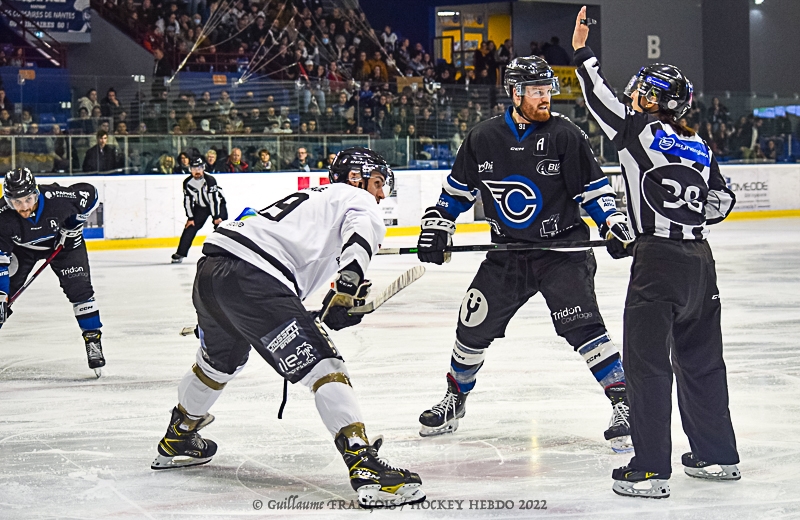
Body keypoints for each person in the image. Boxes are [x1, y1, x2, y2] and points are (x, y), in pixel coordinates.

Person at [151, 147, 425, 508]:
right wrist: (350, 283)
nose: (379, 193)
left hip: (212, 273)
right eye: (377, 183)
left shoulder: (313, 198)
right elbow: (360, 237)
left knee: (219, 362)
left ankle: (179, 436)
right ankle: (366, 467)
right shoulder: (359, 199)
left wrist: (328, 298)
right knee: (325, 367)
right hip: (255, 278)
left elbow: (273, 249)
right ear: (359, 179)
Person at [415, 56, 634, 454]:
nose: (545, 97)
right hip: (507, 255)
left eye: (548, 89)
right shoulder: (483, 138)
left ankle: (624, 404)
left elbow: (594, 192)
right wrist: (436, 227)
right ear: (515, 94)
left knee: (584, 329)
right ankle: (455, 399)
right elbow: (455, 196)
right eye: (536, 91)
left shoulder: (565, 134)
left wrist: (612, 225)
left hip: (561, 252)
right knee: (471, 327)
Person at [572, 6, 740, 499]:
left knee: (647, 366)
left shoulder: (636, 130)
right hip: (699, 264)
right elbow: (722, 201)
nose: (633, 93)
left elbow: (597, 97)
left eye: (642, 89)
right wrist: (690, 213)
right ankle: (716, 456)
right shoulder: (699, 143)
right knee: (703, 362)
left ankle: (648, 468)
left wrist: (583, 52)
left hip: (658, 264)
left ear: (654, 99)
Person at [0, 168, 105, 376]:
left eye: (28, 199)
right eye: (16, 202)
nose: (23, 207)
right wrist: (1, 295)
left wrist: (74, 225)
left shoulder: (57, 199)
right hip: (23, 251)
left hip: (65, 247)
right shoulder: (2, 217)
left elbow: (90, 194)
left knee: (80, 290)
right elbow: (1, 263)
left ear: (36, 193)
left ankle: (92, 339)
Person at [171, 157, 228, 264]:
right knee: (190, 227)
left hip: (218, 205)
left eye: (199, 168)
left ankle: (226, 253)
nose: (197, 171)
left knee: (222, 227)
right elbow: (187, 200)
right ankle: (180, 253)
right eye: (194, 168)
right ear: (190, 169)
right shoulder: (187, 182)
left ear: (203, 168)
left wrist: (216, 217)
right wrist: (190, 217)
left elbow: (214, 200)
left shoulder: (210, 180)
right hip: (201, 207)